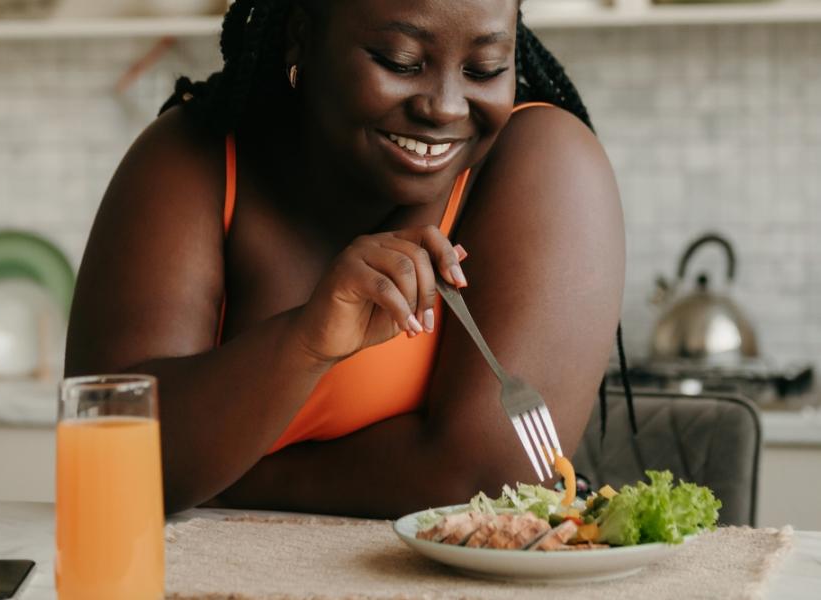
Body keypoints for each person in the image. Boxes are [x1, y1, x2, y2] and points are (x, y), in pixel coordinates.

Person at [65, 0, 627, 518]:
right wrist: (305, 342)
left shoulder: (546, 162)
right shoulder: (195, 156)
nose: (445, 107)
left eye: (484, 69)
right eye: (400, 61)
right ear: (301, 34)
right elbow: (110, 452)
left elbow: (488, 478)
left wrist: (228, 475)